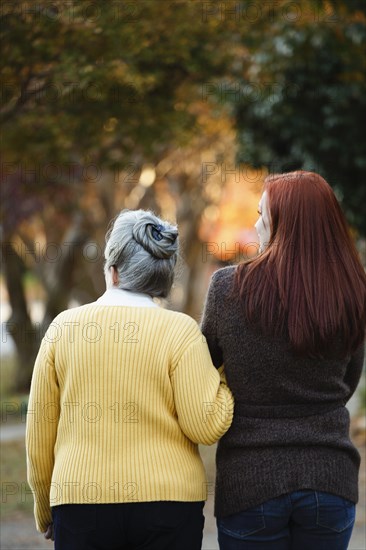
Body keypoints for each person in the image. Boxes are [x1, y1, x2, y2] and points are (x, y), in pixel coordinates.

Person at [26, 209, 234, 550]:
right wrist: (223, 375)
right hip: (169, 505)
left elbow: (40, 432)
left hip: (80, 504)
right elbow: (206, 426)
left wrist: (46, 510)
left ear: (113, 269)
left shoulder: (63, 329)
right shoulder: (180, 331)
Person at [201, 171, 366, 550]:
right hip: (330, 479)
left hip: (251, 483)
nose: (255, 224)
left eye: (263, 215)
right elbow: (348, 381)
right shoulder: (353, 292)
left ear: (283, 225)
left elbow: (205, 371)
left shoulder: (228, 289)